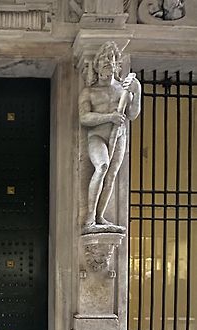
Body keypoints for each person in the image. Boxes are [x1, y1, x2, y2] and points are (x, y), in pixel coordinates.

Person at [79, 41, 141, 234]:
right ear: (96, 66)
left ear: (116, 65)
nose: (107, 65)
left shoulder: (122, 90)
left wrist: (137, 91)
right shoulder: (89, 92)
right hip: (97, 136)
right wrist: (109, 117)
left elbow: (132, 113)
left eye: (111, 62)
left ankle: (100, 216)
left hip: (119, 136)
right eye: (103, 62)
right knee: (102, 166)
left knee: (112, 176)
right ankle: (90, 216)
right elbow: (84, 117)